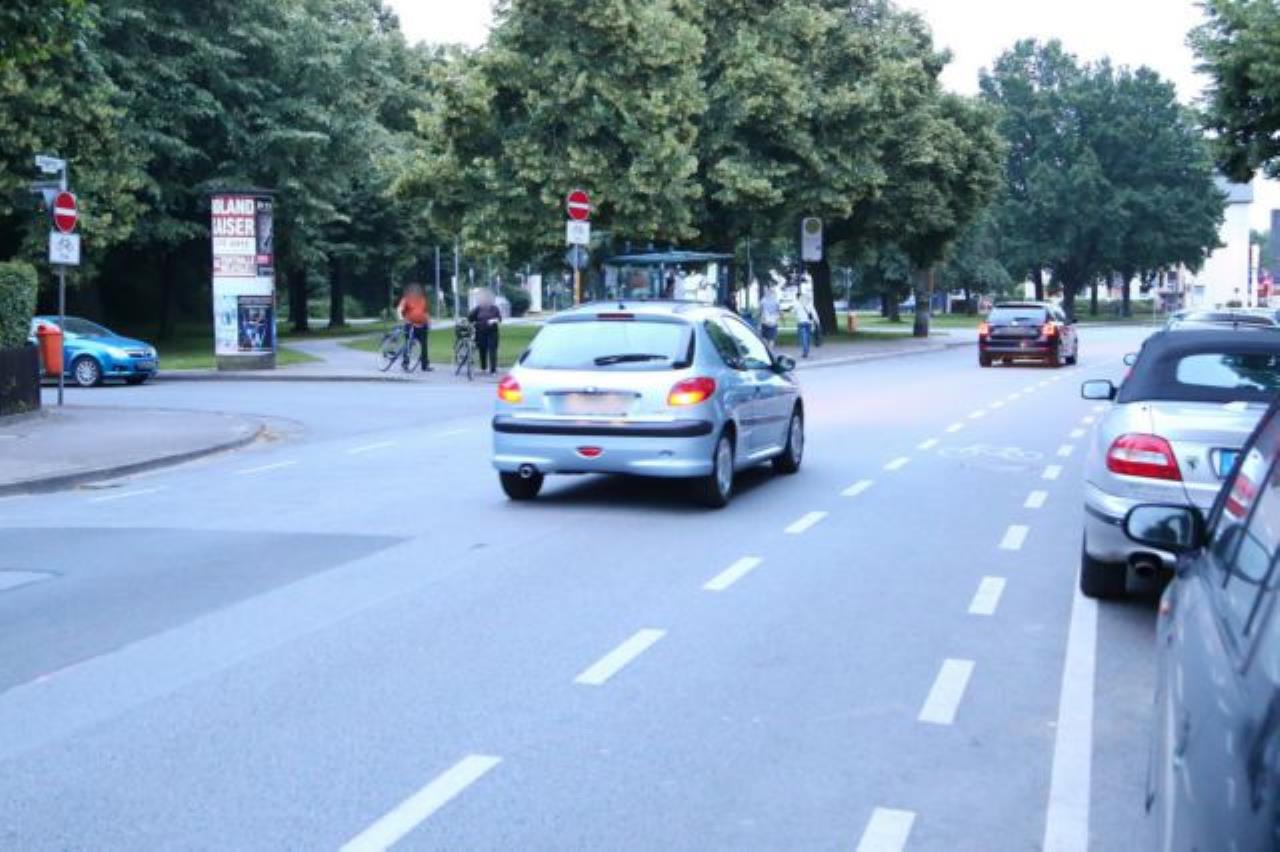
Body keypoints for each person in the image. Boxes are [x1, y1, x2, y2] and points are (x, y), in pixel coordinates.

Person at [396, 282, 432, 371]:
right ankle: (405, 363)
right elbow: (400, 309)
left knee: (424, 345)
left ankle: (425, 365)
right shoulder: (406, 299)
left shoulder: (422, 300)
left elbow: (425, 312)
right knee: (409, 343)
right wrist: (401, 318)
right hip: (410, 324)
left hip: (423, 325)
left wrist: (429, 321)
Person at [468, 288, 502, 374]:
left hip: (492, 332)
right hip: (480, 332)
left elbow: (499, 319)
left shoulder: (495, 308)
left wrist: (493, 320)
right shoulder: (478, 308)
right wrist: (474, 322)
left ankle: (493, 369)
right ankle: (483, 368)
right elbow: (470, 318)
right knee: (482, 349)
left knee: (492, 350)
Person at [796, 291, 818, 358]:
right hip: (809, 322)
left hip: (801, 322)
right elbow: (814, 313)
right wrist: (816, 320)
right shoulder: (809, 304)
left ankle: (805, 351)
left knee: (803, 337)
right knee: (808, 337)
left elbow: (794, 312)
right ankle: (806, 350)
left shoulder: (797, 304)